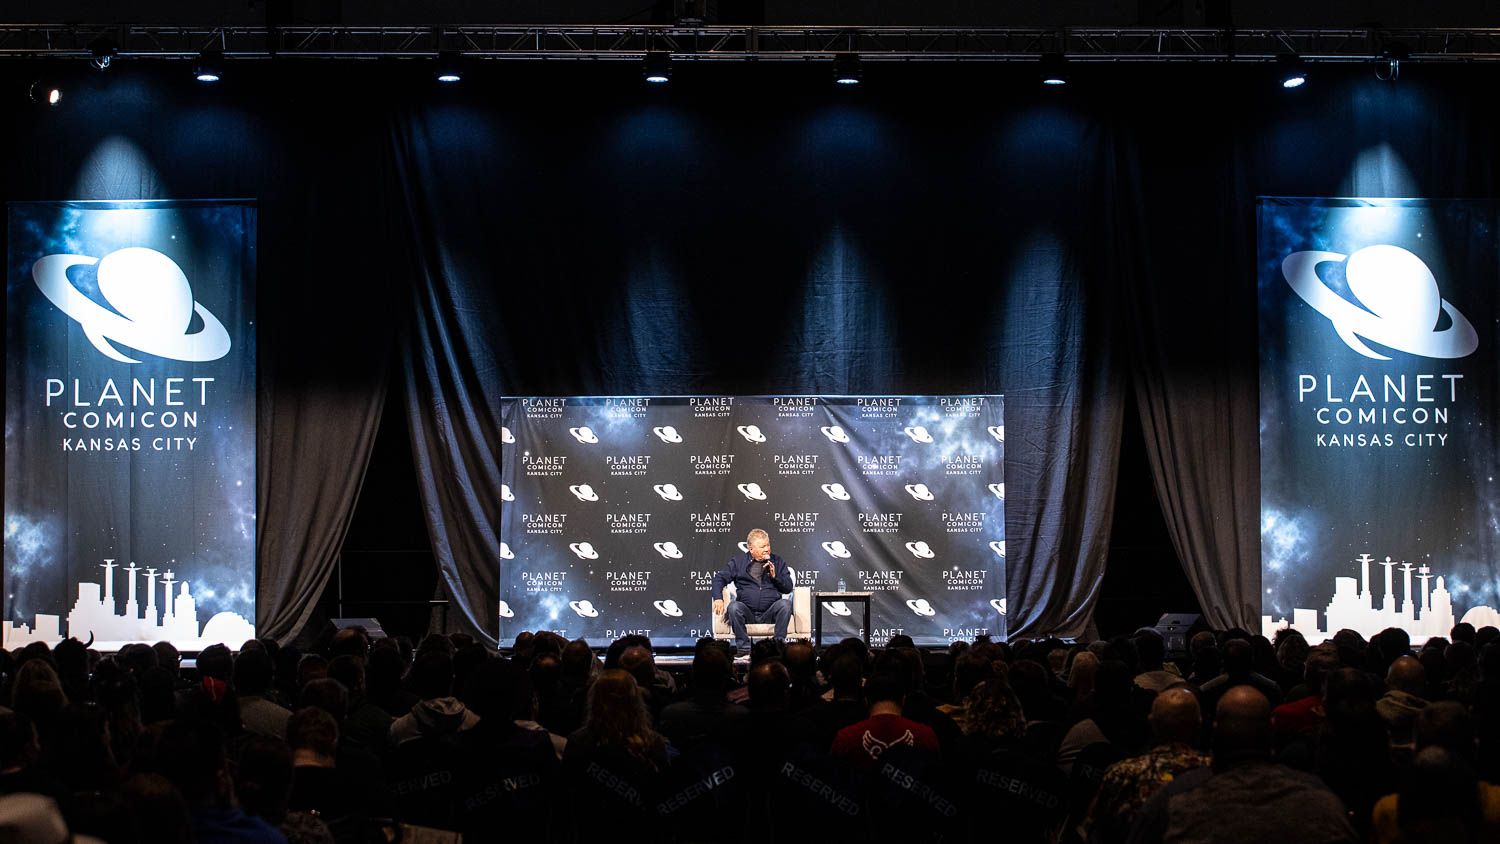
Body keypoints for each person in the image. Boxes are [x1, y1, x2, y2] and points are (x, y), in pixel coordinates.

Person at [710, 528, 793, 650]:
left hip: (770, 612)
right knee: (734, 607)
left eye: (768, 545)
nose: (767, 549)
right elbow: (719, 579)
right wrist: (718, 598)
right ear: (751, 549)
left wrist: (775, 577)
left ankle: (777, 647)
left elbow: (788, 588)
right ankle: (744, 648)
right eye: (762, 546)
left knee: (785, 605)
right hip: (747, 612)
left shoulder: (778, 561)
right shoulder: (739, 562)